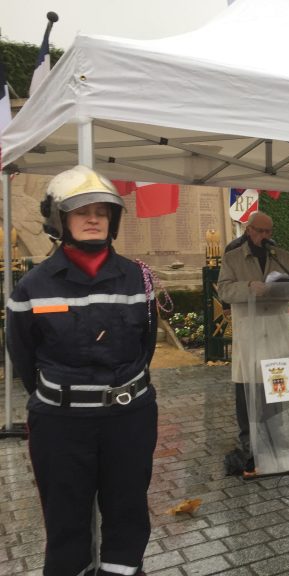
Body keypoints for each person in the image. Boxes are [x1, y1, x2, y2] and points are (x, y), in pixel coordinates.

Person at [6, 165, 158, 575]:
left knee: (127, 508)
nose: (93, 219)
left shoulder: (137, 278)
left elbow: (147, 344)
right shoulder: (32, 288)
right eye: (81, 211)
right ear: (59, 219)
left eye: (102, 212)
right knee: (66, 517)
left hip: (129, 416)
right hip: (62, 423)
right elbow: (23, 356)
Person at [218, 211, 289, 470]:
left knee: (276, 386)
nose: (266, 236)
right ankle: (249, 440)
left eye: (270, 232)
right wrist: (249, 287)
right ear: (249, 230)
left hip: (275, 330)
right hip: (250, 332)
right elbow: (224, 290)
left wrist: (288, 287)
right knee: (248, 387)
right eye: (261, 231)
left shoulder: (283, 257)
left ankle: (277, 434)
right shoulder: (233, 258)